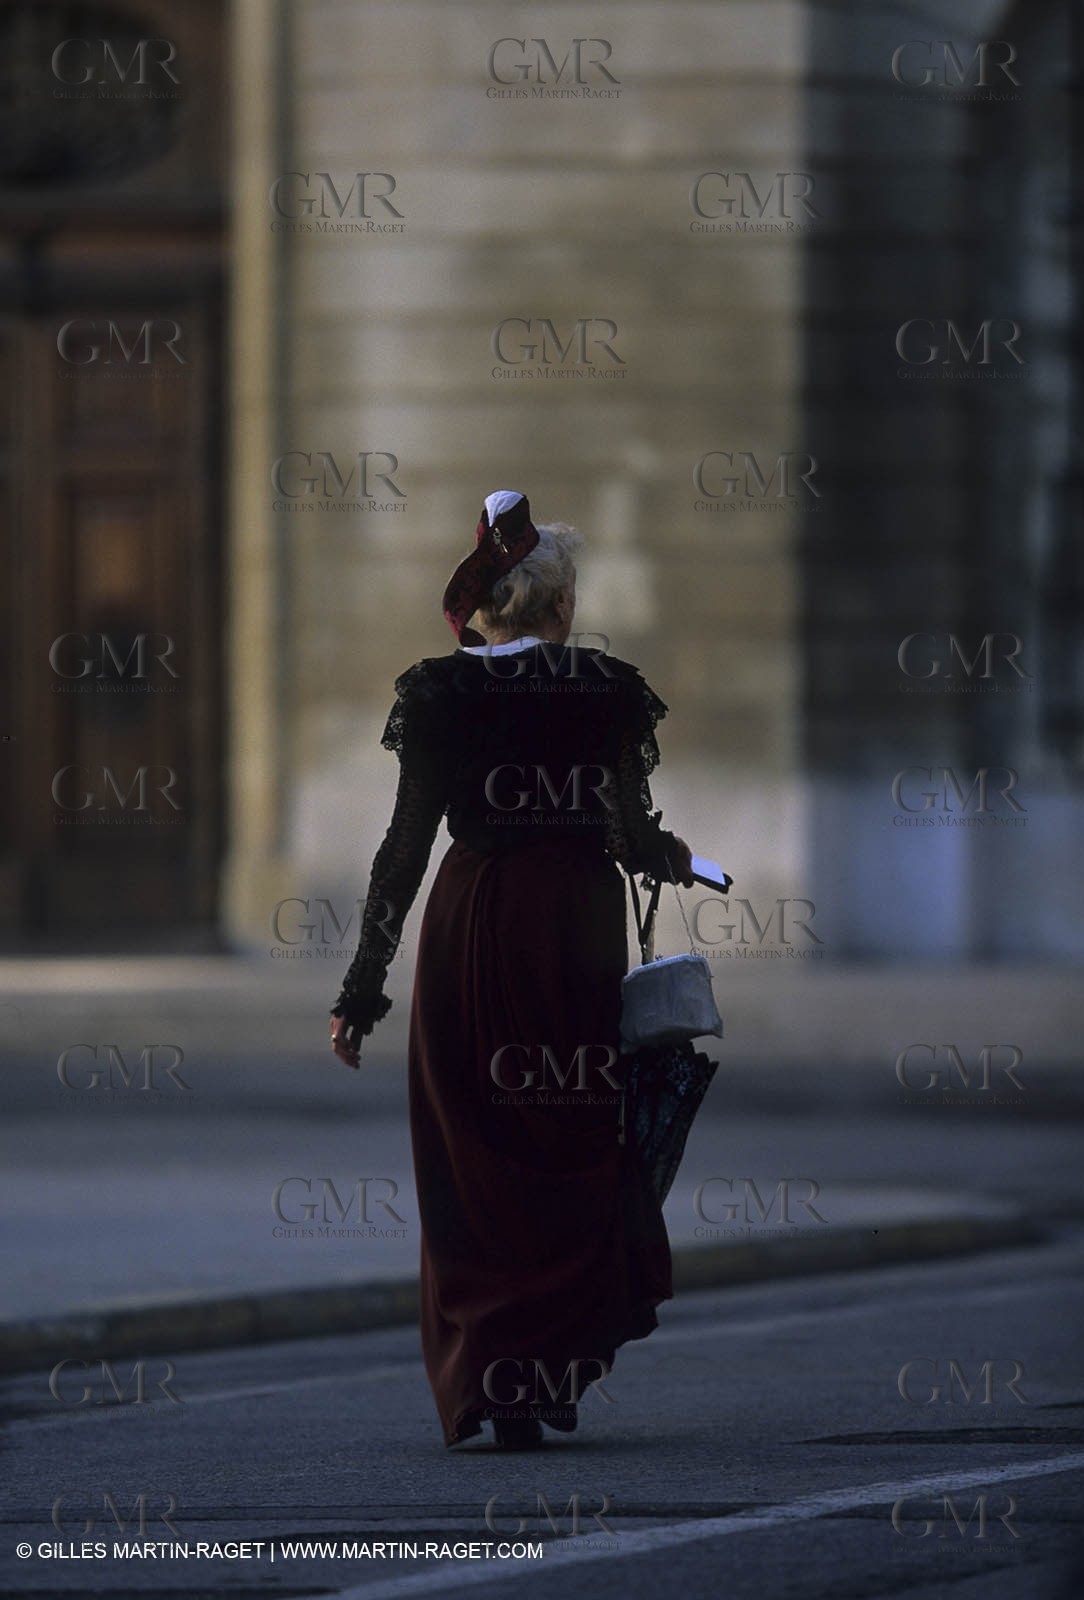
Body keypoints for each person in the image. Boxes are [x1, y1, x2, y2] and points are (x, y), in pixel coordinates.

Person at [329, 490, 695, 1449]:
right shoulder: (605, 688)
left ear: (488, 604)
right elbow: (625, 834)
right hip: (570, 924)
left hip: (473, 925)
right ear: (560, 604)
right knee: (571, 1137)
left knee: (473, 1149)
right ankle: (551, 1367)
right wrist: (676, 858)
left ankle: (495, 1372)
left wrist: (361, 992)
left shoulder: (440, 694)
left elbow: (403, 851)